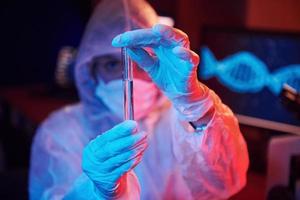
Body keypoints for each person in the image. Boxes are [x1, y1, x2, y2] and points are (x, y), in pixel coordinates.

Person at [29, 0, 249, 199]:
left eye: (142, 61)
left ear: (158, 60)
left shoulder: (184, 119)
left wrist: (198, 108)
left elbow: (225, 184)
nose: (129, 76)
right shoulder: (60, 133)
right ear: (90, 70)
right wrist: (96, 193)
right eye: (112, 64)